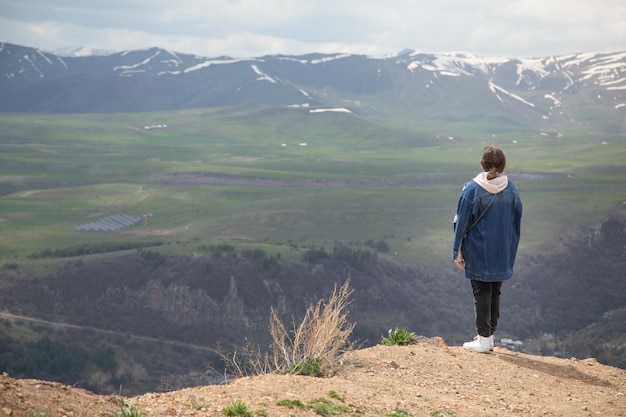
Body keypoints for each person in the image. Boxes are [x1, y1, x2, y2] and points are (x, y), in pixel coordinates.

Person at [452, 145, 522, 353]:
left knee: (480, 292)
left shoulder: (472, 189)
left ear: (482, 164)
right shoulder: (512, 190)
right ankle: (488, 336)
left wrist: (456, 251)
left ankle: (483, 339)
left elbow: (461, 222)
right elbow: (515, 222)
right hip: (502, 250)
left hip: (478, 249)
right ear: (503, 165)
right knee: (494, 292)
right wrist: (510, 249)